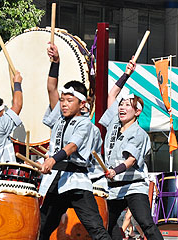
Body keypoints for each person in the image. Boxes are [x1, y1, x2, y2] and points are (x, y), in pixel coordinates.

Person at [38, 43, 111, 240]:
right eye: (63, 100)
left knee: (96, 229)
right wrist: (56, 62)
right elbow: (51, 87)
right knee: (43, 228)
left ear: (82, 104)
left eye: (69, 101)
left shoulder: (84, 124)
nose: (63, 104)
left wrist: (52, 159)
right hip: (57, 181)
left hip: (76, 181)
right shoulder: (59, 116)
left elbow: (72, 146)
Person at [99, 57, 163, 240]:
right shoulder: (113, 122)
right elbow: (112, 95)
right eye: (121, 104)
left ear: (137, 112)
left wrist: (114, 170)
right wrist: (126, 74)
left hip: (133, 187)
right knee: (107, 225)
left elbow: (131, 160)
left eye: (128, 105)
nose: (122, 107)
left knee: (145, 223)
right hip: (113, 187)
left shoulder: (139, 133)